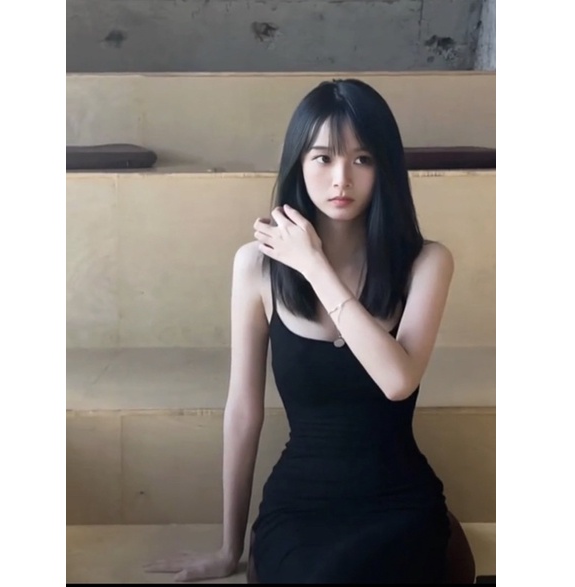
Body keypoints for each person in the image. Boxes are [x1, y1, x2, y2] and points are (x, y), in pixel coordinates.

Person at [144, 78, 455, 583]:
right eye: (323, 158)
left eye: (362, 159)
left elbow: (398, 381)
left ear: (385, 169)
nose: (341, 179)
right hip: (301, 505)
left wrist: (314, 266)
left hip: (398, 501)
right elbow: (243, 411)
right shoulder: (255, 266)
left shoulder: (427, 262)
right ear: (298, 163)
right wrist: (228, 547)